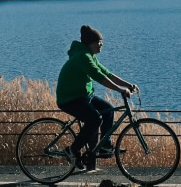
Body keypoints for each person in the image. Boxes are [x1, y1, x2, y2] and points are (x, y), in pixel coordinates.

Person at [56, 25, 138, 171]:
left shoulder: (90, 55)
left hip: (83, 95)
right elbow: (99, 76)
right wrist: (120, 90)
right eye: (98, 42)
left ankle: (105, 146)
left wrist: (128, 84)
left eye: (101, 41)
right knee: (95, 119)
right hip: (69, 98)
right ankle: (72, 150)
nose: (101, 44)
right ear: (89, 43)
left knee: (108, 109)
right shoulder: (83, 57)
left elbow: (107, 73)